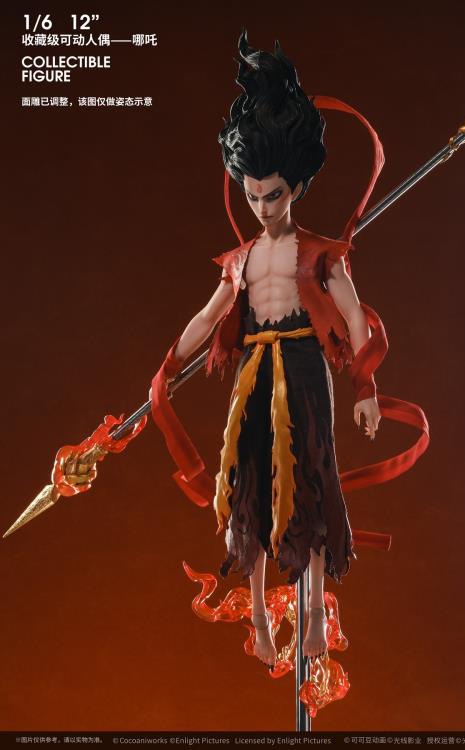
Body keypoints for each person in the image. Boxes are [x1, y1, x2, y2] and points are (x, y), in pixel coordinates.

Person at [149, 31, 383, 670]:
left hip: (304, 369)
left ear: (296, 185)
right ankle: (257, 619)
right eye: (252, 195)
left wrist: (365, 386)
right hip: (253, 373)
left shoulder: (320, 253)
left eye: (272, 194)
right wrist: (167, 368)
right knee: (248, 489)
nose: (261, 207)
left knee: (308, 486)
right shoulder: (241, 259)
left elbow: (354, 315)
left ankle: (312, 621)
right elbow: (209, 316)